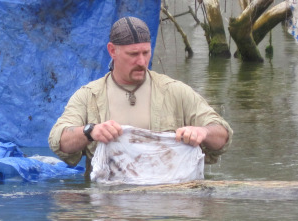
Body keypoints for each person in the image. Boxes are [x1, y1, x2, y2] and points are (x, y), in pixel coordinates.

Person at [49, 16, 233, 177]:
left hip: (166, 203)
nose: (142, 62)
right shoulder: (88, 96)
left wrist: (203, 132)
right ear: (112, 51)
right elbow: (59, 141)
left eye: (146, 52)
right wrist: (90, 131)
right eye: (133, 54)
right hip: (108, 208)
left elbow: (223, 136)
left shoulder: (176, 91)